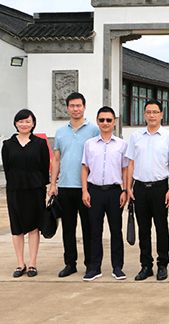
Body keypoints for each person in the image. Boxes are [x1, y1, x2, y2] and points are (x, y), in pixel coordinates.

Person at [126, 99, 169, 281]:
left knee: (161, 227)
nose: (152, 115)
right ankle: (146, 265)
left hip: (160, 188)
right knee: (143, 229)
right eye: (148, 112)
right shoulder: (136, 137)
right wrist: (128, 188)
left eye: (155, 112)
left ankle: (162, 264)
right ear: (144, 115)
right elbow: (131, 164)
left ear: (161, 115)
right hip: (140, 188)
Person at [49, 92, 99, 278]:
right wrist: (53, 184)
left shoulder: (94, 130)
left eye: (79, 105)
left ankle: (90, 264)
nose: (75, 109)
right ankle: (70, 263)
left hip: (87, 188)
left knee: (88, 227)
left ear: (84, 107)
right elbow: (56, 159)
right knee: (68, 228)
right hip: (65, 186)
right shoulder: (60, 132)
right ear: (67, 108)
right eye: (72, 106)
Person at [81, 106, 129, 281]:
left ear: (114, 122)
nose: (105, 123)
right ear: (97, 121)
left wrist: (125, 190)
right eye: (102, 120)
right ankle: (94, 267)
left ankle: (117, 267)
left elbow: (125, 169)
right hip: (94, 191)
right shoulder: (89, 144)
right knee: (95, 231)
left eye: (109, 120)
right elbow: (84, 168)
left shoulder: (122, 145)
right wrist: (85, 190)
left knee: (116, 230)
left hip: (114, 191)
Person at [2, 109, 50, 278]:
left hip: (35, 190)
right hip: (15, 190)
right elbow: (7, 169)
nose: (24, 124)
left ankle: (32, 264)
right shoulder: (8, 145)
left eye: (27, 121)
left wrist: (40, 183)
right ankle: (20, 263)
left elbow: (45, 167)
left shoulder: (40, 143)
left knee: (33, 227)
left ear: (33, 123)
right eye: (20, 121)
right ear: (15, 123)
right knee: (17, 227)